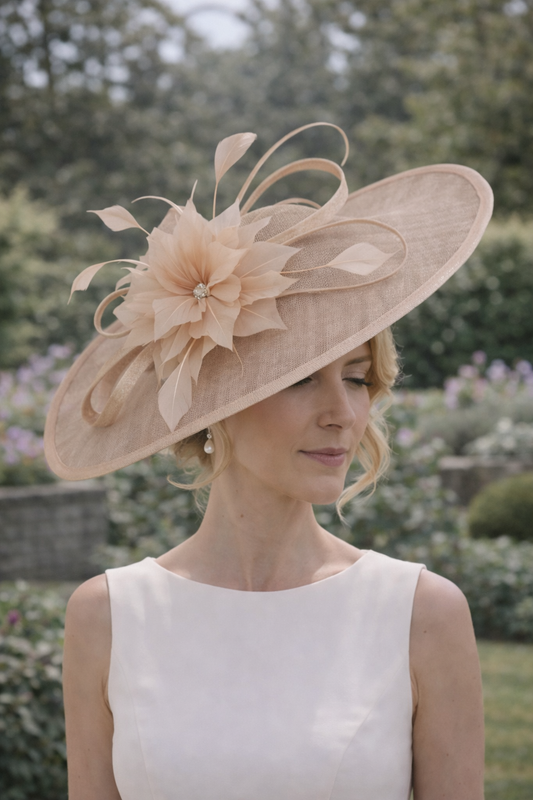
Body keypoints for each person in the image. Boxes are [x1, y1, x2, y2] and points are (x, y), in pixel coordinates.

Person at [44, 123, 493, 799]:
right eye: (300, 378)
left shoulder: (420, 613)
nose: (342, 412)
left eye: (358, 377)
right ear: (213, 404)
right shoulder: (107, 616)